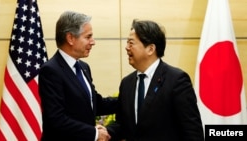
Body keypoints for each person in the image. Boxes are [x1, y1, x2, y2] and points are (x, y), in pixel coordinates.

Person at [107, 19, 204, 141]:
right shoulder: (127, 83)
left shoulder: (176, 80)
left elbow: (192, 131)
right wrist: (105, 132)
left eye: (131, 43)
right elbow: (123, 124)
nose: (126, 48)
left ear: (150, 49)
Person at [38, 11, 117, 141]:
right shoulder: (51, 70)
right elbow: (57, 119)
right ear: (70, 38)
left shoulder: (84, 67)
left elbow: (95, 104)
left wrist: (130, 98)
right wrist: (94, 134)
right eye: (88, 37)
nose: (93, 42)